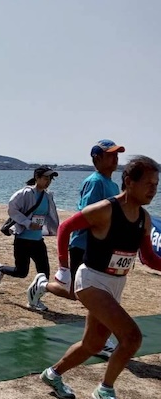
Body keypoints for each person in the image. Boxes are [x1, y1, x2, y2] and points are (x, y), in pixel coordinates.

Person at [39, 156, 161, 399]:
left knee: (93, 344)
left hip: (116, 284)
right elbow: (65, 228)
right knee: (132, 337)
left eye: (156, 184)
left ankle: (53, 373)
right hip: (91, 281)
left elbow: (149, 258)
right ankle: (105, 389)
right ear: (129, 181)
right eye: (148, 183)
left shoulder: (144, 218)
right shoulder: (106, 209)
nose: (154, 189)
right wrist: (63, 267)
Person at [27, 140, 125, 337]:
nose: (115, 158)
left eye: (117, 155)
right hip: (84, 245)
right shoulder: (95, 182)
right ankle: (43, 285)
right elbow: (87, 215)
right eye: (110, 155)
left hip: (102, 247)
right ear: (97, 158)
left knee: (85, 292)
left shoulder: (113, 186)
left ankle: (42, 285)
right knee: (82, 293)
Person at [0, 167, 60, 307]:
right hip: (22, 240)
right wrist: (28, 223)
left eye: (50, 179)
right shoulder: (25, 193)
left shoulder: (48, 196)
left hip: (38, 241)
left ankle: (34, 301)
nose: (48, 181)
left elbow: (50, 216)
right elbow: (12, 209)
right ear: (37, 178)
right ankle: (1, 269)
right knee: (21, 272)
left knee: (44, 274)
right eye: (45, 178)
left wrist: (56, 229)